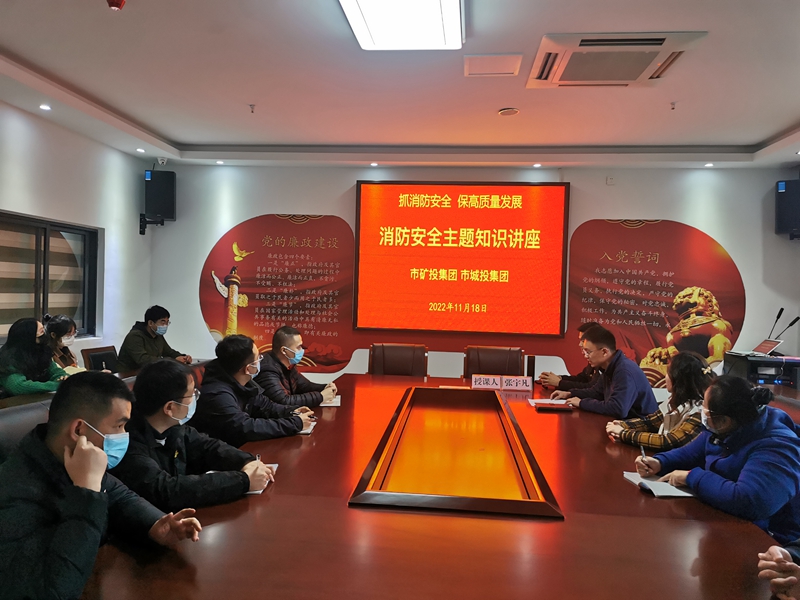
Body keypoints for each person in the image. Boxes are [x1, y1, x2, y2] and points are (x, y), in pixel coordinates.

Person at [0, 371, 201, 600]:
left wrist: (155, 524)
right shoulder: (13, 495)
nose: (124, 435)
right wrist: (86, 491)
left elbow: (120, 496)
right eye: (119, 426)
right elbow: (52, 592)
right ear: (79, 430)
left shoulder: (64, 457)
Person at [635, 375, 800, 544]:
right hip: (724, 520)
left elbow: (749, 501)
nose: (702, 412)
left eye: (705, 409)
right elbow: (691, 453)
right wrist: (660, 462)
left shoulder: (778, 446)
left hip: (771, 543)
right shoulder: (725, 428)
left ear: (724, 421)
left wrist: (691, 477)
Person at [111, 359, 274, 511]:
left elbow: (209, 447)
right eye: (191, 395)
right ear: (170, 408)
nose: (196, 398)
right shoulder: (128, 442)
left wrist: (246, 462)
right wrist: (243, 481)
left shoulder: (174, 427)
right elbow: (168, 490)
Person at [190, 334, 313, 448]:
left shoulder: (242, 380)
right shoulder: (217, 394)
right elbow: (246, 427)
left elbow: (265, 406)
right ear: (248, 368)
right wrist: (295, 423)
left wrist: (292, 411)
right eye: (258, 358)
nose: (261, 361)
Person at [605, 351, 713, 450]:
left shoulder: (700, 411)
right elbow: (650, 422)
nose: (666, 377)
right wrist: (622, 424)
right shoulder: (676, 400)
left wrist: (623, 433)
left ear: (679, 380)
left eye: (668, 373)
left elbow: (669, 441)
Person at [550, 326, 658, 419]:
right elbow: (596, 392)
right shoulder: (609, 366)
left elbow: (618, 408)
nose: (586, 356)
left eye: (588, 352)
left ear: (605, 352)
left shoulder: (624, 371)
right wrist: (570, 393)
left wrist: (581, 403)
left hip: (641, 428)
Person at [254, 325, 337, 407]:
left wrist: (325, 387)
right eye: (298, 347)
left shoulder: (289, 364)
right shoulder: (267, 369)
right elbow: (284, 401)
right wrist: (320, 397)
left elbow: (304, 386)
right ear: (284, 350)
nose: (302, 350)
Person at [0, 317, 67, 396]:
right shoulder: (8, 359)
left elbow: (56, 372)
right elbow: (19, 387)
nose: (45, 334)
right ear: (29, 337)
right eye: (41, 331)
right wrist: (56, 385)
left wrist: (63, 379)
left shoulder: (40, 351)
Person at [117, 305, 192, 372]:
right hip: (128, 375)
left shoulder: (157, 335)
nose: (165, 325)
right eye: (163, 322)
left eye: (167, 322)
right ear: (150, 323)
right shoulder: (135, 336)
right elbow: (143, 360)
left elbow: (168, 352)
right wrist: (172, 360)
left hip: (147, 372)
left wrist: (183, 357)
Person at [539, 321, 601, 390]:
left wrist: (559, 383)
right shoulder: (593, 361)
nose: (580, 344)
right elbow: (582, 379)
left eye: (583, 341)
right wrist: (559, 378)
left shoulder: (603, 363)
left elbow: (592, 388)